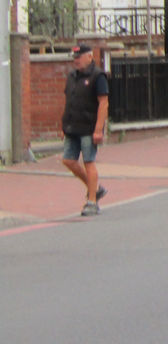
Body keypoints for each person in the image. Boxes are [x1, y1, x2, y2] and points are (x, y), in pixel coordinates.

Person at [60, 43, 109, 217]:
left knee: (89, 162)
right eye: (74, 58)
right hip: (72, 126)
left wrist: (98, 129)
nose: (76, 60)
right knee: (68, 160)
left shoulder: (98, 76)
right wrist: (64, 125)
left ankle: (92, 202)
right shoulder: (72, 76)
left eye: (79, 57)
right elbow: (69, 101)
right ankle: (95, 188)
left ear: (89, 56)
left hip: (89, 127)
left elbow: (103, 103)